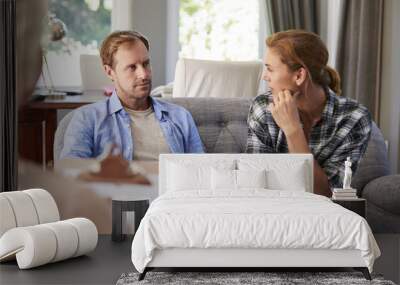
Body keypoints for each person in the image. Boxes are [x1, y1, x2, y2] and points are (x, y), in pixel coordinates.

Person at [246, 30, 372, 197]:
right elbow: (256, 185)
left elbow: (327, 194)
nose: (264, 76)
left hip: (322, 216)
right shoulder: (263, 107)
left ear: (299, 75)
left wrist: (293, 131)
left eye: (270, 69)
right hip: (270, 211)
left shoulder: (354, 118)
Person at [60, 31, 204, 160]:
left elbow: (201, 170)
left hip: (171, 189)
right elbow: (72, 176)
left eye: (146, 64)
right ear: (110, 72)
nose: (144, 74)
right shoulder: (86, 119)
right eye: (132, 67)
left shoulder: (180, 117)